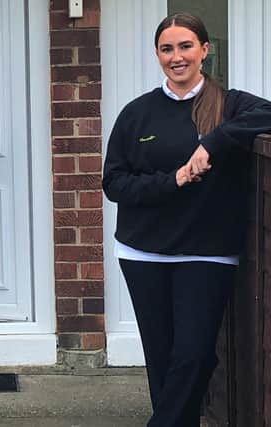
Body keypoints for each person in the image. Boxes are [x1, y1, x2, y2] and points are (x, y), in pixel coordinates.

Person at [103, 12, 271, 427]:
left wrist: (213, 142)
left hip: (208, 252)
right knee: (163, 360)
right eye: (167, 49)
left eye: (185, 46)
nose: (176, 57)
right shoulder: (137, 114)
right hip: (144, 252)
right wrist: (173, 180)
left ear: (204, 51)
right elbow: (115, 183)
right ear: (157, 55)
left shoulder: (231, 105)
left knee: (194, 354)